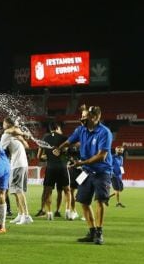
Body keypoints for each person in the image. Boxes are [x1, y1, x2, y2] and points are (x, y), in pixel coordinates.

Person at [54, 105, 112, 245]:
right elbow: (69, 141)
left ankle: (99, 232)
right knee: (83, 202)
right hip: (86, 171)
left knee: (100, 201)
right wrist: (59, 149)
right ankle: (92, 232)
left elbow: (101, 156)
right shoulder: (81, 129)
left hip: (101, 171)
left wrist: (81, 163)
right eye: (82, 116)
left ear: (95, 117)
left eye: (86, 116)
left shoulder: (105, 132)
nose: (82, 118)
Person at [36, 121, 72, 220]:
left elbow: (39, 157)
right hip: (62, 167)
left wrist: (48, 157)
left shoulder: (44, 138)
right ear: (57, 128)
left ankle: (49, 213)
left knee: (48, 191)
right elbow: (68, 153)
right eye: (60, 129)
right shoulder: (64, 138)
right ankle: (68, 212)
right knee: (67, 190)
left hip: (50, 168)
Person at [1, 117, 32, 225]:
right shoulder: (14, 134)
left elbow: (0, 151)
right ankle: (20, 214)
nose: (3, 125)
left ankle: (26, 215)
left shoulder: (6, 134)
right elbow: (27, 146)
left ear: (8, 124)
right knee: (15, 191)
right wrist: (23, 136)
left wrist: (22, 136)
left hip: (17, 165)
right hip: (20, 164)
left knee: (18, 191)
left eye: (4, 123)